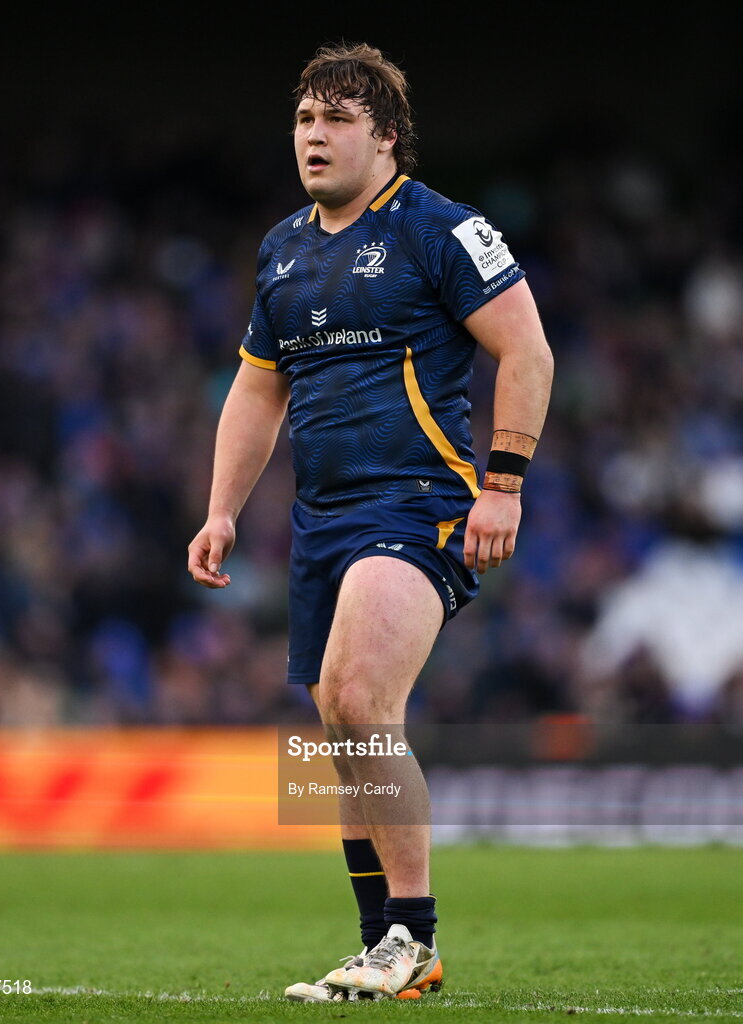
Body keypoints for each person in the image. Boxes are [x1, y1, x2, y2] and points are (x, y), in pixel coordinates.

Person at [188, 41, 553, 1001]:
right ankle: (381, 947)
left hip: (419, 502)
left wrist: (503, 482)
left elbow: (527, 350)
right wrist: (222, 509)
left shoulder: (442, 229)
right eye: (304, 118)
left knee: (355, 698)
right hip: (322, 522)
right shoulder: (283, 249)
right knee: (343, 734)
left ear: (385, 137)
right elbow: (255, 392)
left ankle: (414, 938)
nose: (312, 135)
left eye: (336, 119)